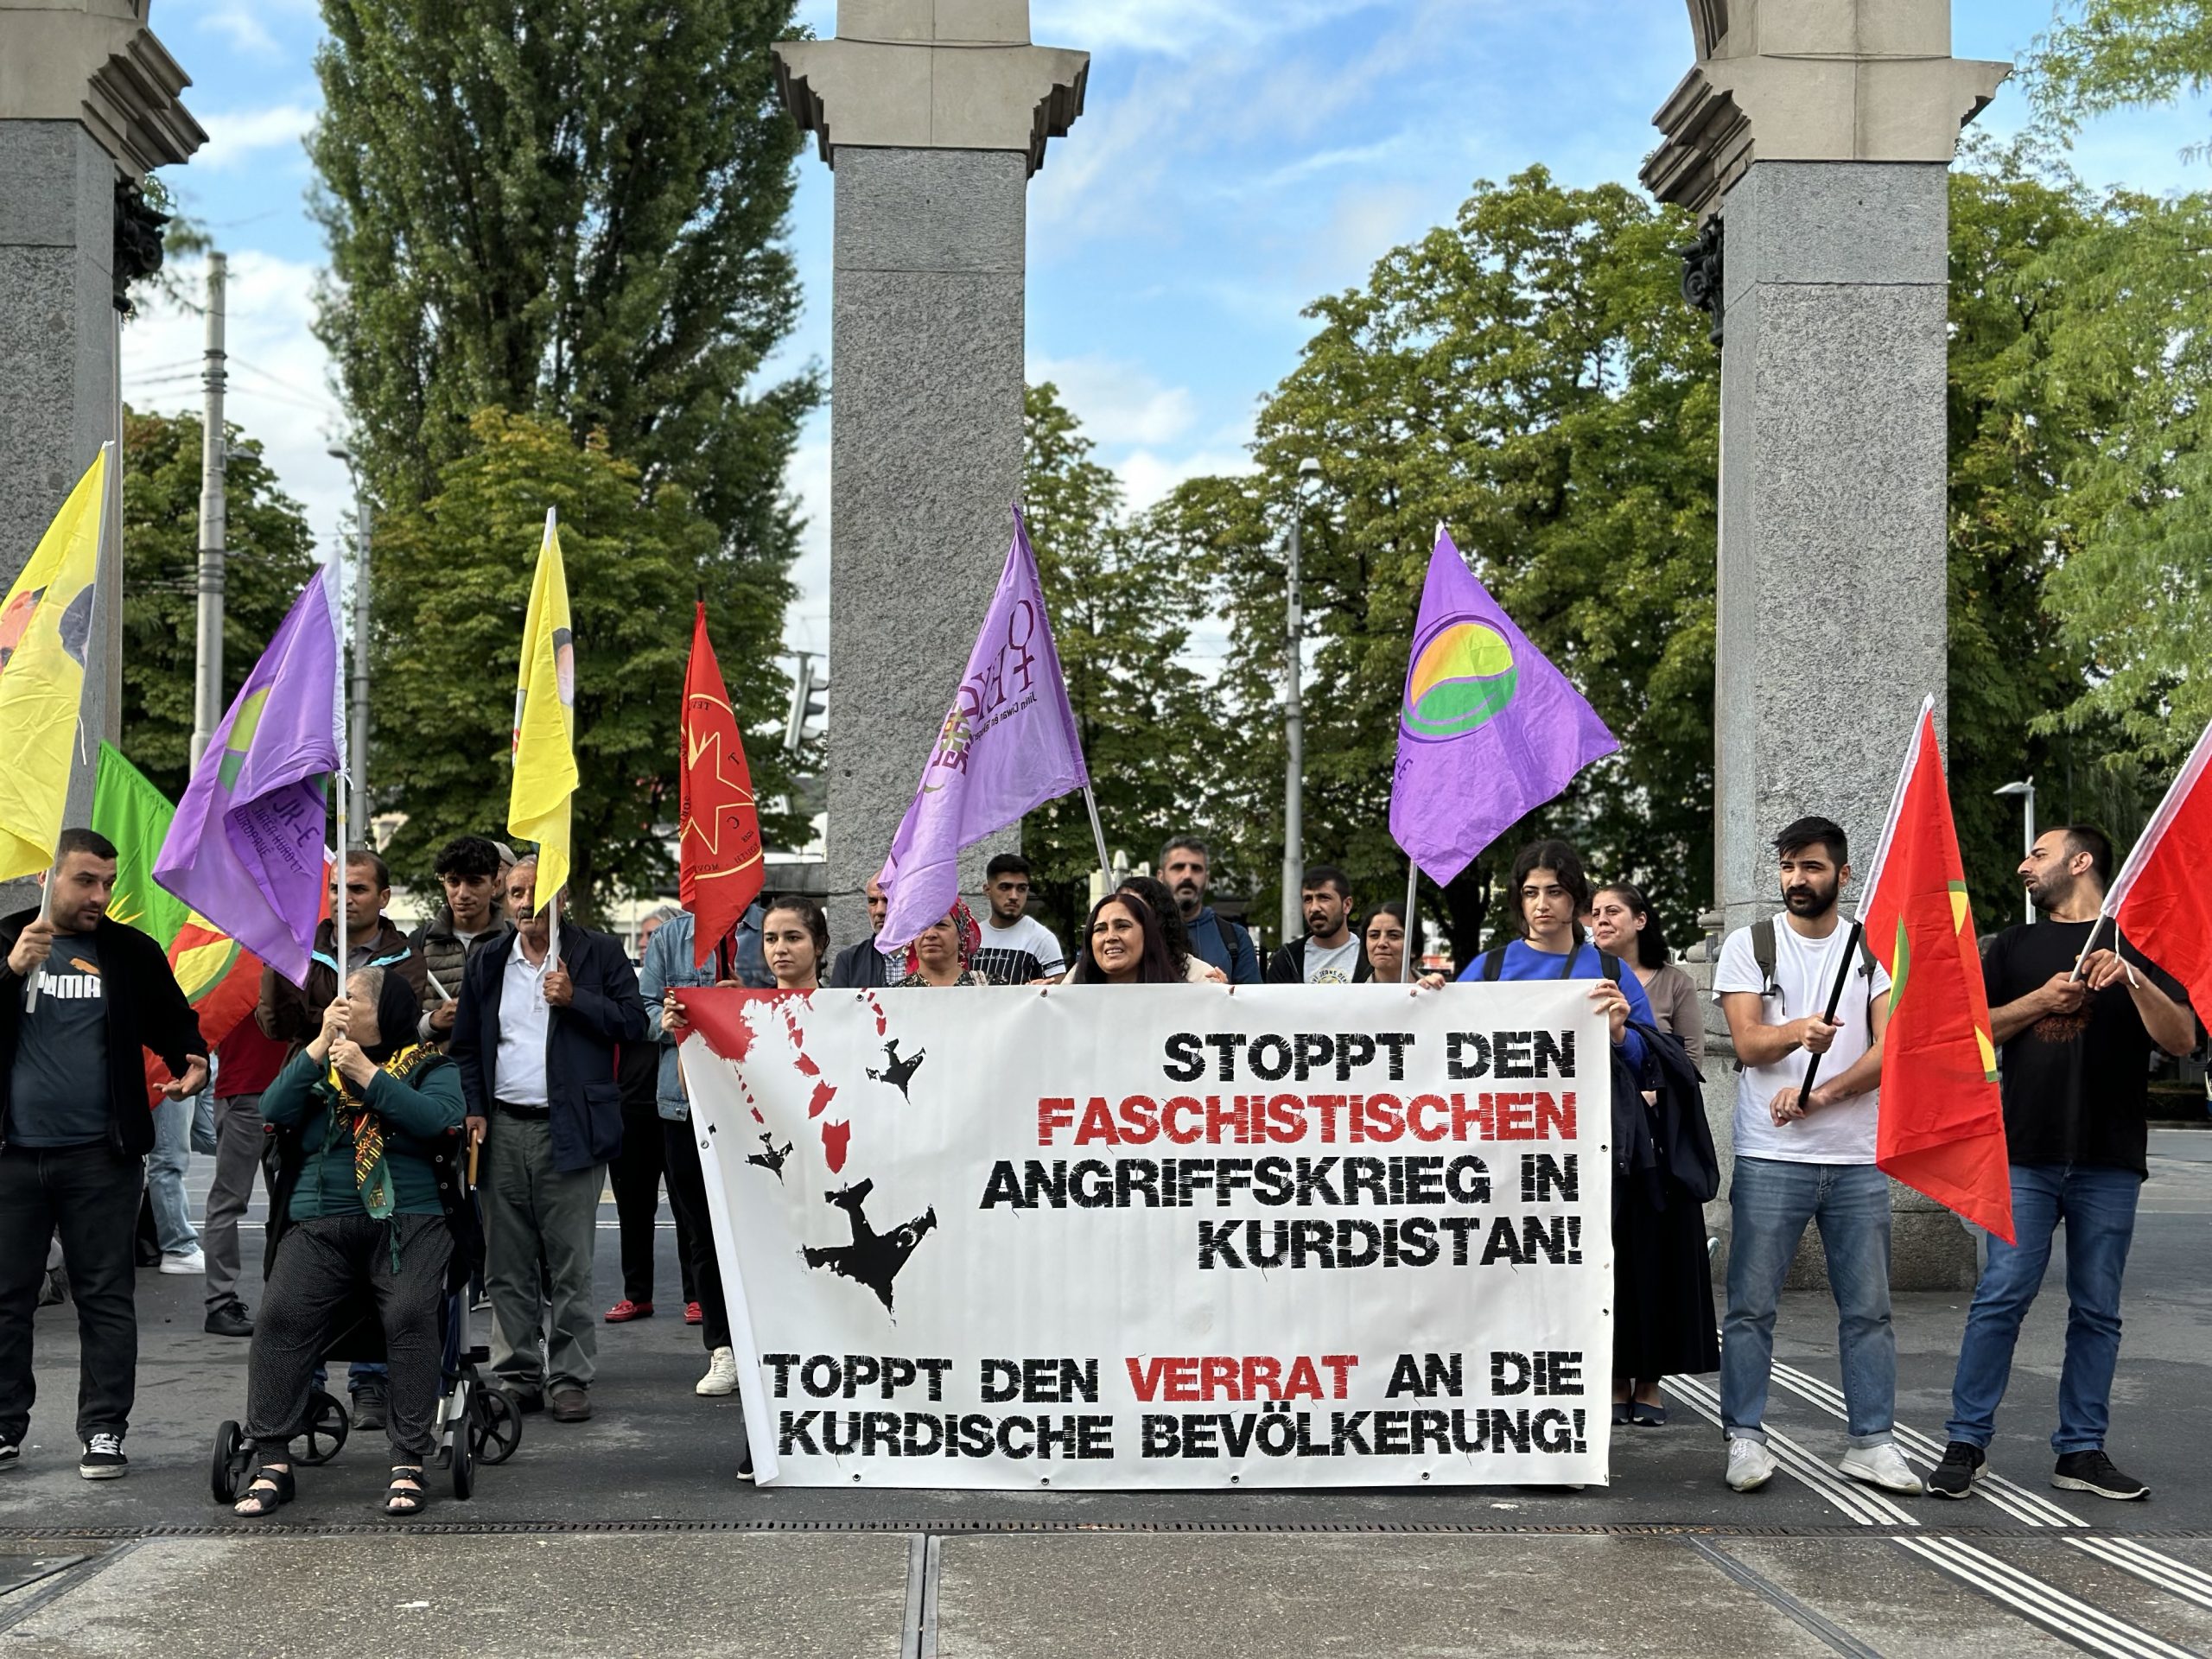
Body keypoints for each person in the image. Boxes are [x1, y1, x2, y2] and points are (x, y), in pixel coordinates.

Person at [1929, 826, 2199, 1503]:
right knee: (2001, 1295)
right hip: (2025, 1152)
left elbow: (2182, 1039)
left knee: (2098, 1310)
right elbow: (1968, 1034)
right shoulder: (2012, 946)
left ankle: (2080, 1452)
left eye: (2039, 854)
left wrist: (2132, 976)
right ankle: (1966, 1443)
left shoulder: (2140, 943)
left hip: (2110, 1157)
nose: (2025, 865)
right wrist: (2040, 1002)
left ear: (2081, 863)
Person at [1713, 816, 1917, 1496]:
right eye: (1788, 867)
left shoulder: (1872, 947)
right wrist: (1799, 1031)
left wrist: (1824, 1094)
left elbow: (1890, 1050)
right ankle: (1745, 1438)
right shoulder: (1751, 944)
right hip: (1770, 1156)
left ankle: (1873, 1443)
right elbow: (1748, 1043)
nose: (1797, 879)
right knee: (1751, 1308)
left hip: (1856, 1157)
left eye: (1812, 867)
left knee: (1870, 1311)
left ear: (1843, 875)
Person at [0, 829, 208, 1480]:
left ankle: (104, 1431)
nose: (99, 895)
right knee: (7, 1299)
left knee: (106, 1298)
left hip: (101, 1158)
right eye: (85, 880)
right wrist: (11, 972)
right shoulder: (7, 941)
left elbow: (174, 1022)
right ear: (47, 878)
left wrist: (193, 1061)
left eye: (107, 883)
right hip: (12, 1158)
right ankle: (4, 1425)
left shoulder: (128, 951)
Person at [230, 968, 465, 1520]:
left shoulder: (433, 1066)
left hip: (410, 1219)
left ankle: (408, 1458)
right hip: (320, 1222)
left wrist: (369, 1076)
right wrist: (317, 1048)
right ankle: (272, 1457)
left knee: (410, 1313)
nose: (338, 1005)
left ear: (385, 1011)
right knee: (280, 1316)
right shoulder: (318, 1065)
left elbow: (438, 1121)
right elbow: (272, 1109)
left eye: (352, 997)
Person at [451, 857, 647, 1425]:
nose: (524, 903)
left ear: (561, 899)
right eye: (515, 892)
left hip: (574, 1128)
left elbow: (635, 1024)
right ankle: (517, 1376)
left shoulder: (598, 953)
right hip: (502, 1127)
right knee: (506, 1266)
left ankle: (569, 1378)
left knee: (570, 1265)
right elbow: (466, 1046)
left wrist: (576, 998)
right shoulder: (488, 959)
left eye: (535, 893)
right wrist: (474, 1108)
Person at [642, 903, 750, 1414]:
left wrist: (744, 1001)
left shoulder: (767, 931)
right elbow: (641, 1012)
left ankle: (765, 1341)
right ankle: (722, 1347)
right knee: (703, 1233)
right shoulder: (669, 939)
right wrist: (666, 1022)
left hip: (757, 1106)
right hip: (684, 1106)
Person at [606, 906, 695, 1326]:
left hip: (676, 1106)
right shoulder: (625, 984)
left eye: (655, 935)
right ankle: (636, 1294)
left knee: (687, 1206)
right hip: (631, 1106)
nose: (647, 943)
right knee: (632, 1208)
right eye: (644, 936)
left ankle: (696, 1295)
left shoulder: (688, 982)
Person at [258, 851, 429, 1046]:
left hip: (372, 1066)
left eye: (358, 889)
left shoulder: (406, 959)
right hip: (310, 1065)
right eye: (336, 889)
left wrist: (317, 1016)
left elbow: (390, 1027)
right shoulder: (298, 952)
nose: (344, 899)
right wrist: (277, 964)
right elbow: (277, 1027)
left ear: (384, 897)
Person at [201, 1019, 290, 1338]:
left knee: (288, 1202)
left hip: (270, 1084)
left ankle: (227, 1300)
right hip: (251, 1086)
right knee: (233, 1199)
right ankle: (220, 1301)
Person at [411, 835, 515, 1049]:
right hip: (438, 1066)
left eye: (474, 882)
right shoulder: (419, 942)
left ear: (495, 884)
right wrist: (432, 1021)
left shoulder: (516, 941)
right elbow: (396, 1021)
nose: (462, 893)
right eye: (454, 882)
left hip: (500, 1066)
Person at [1592, 883, 1705, 1066]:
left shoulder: (1675, 982)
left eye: (1612, 911)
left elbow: (1690, 1059)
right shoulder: (1581, 976)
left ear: (1640, 920)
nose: (1602, 920)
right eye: (1595, 914)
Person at [1160, 836, 1262, 983]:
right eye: (1178, 867)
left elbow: (1251, 997)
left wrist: (1225, 991)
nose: (1187, 875)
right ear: (1161, 877)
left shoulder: (1235, 938)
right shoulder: (1142, 933)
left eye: (1196, 869)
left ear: (1207, 879)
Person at [1266, 864, 1371, 984]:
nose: (1314, 908)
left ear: (1347, 905)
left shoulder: (1372, 955)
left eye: (1324, 898)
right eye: (1308, 899)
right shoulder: (1285, 961)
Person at [970, 854, 1066, 983]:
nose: (1014, 896)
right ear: (987, 890)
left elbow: (1059, 990)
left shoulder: (1042, 939)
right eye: (1005, 887)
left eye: (1021, 889)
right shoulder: (972, 937)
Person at [1117, 876, 1226, 984]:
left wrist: (1222, 993)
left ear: (1160, 919)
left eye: (1137, 912)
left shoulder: (1200, 976)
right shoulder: (1110, 969)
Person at [1067, 892, 1185, 985]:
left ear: (1147, 934)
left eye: (1122, 926)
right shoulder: (1070, 1001)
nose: (1110, 937)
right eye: (1100, 929)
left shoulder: (1181, 998)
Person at [893, 904, 995, 988]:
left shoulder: (992, 988)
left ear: (961, 935)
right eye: (922, 927)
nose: (930, 934)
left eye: (941, 925)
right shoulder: (894, 994)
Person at [830, 877, 898, 990]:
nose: (880, 911)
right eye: (872, 901)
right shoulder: (849, 961)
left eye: (888, 900)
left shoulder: (926, 955)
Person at [1363, 902, 1411, 985]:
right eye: (1374, 935)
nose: (1381, 943)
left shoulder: (1433, 990)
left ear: (1413, 947)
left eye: (1394, 935)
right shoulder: (1353, 993)